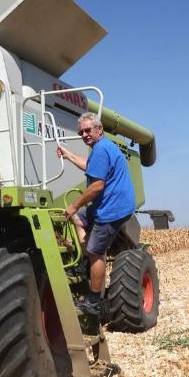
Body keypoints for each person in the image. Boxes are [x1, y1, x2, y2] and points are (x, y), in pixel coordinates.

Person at [57, 112, 136, 318]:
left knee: (96, 251)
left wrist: (73, 206)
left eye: (88, 130)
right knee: (79, 220)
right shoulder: (102, 147)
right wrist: (68, 155)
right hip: (111, 204)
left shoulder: (100, 150)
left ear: (99, 130)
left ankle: (93, 301)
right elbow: (90, 167)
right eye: (81, 132)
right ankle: (85, 265)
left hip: (111, 209)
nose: (84, 134)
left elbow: (97, 186)